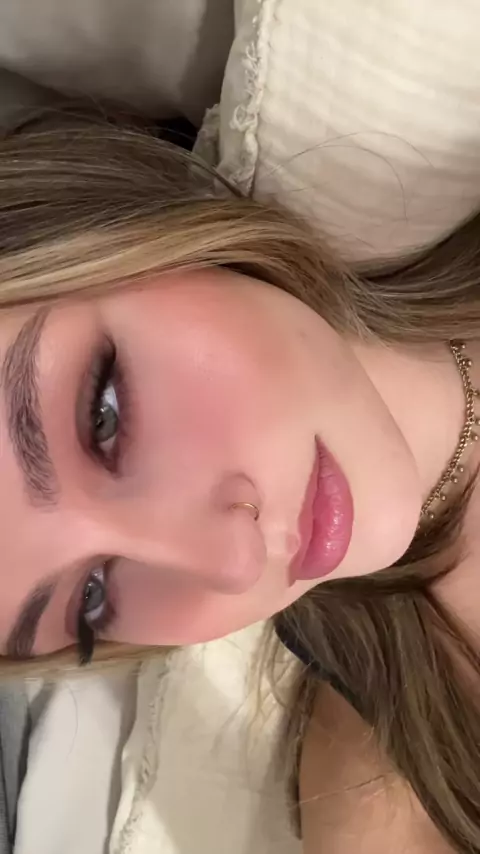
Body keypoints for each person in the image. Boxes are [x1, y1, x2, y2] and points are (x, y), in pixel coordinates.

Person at [1, 104, 480, 853]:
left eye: (104, 413)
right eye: (91, 599)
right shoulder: (396, 795)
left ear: (124, 221)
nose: (230, 562)